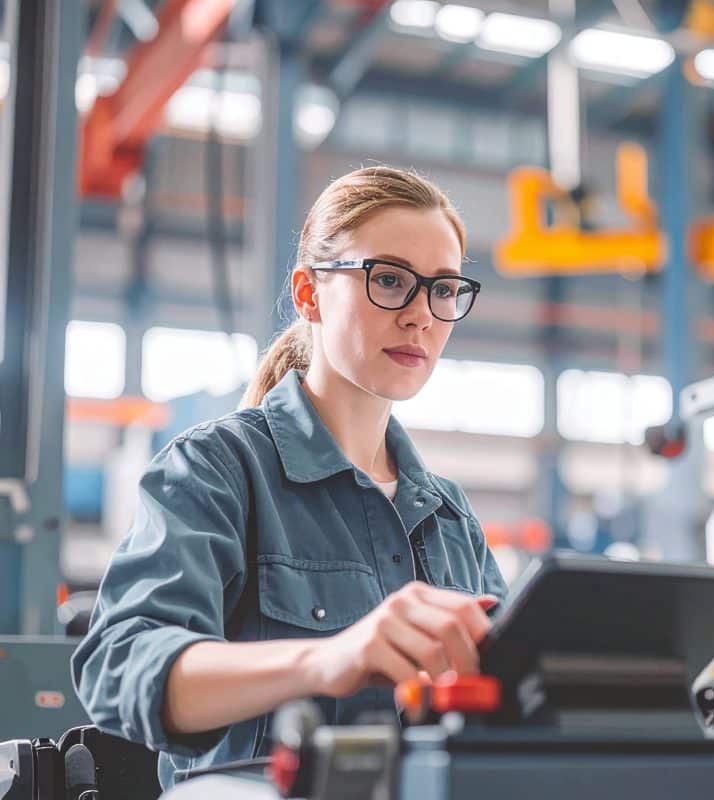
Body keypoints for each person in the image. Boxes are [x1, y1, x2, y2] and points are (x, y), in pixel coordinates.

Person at [71, 165, 508, 789]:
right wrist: (328, 659)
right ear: (309, 294)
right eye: (388, 279)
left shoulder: (448, 514)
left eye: (443, 289)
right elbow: (120, 670)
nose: (421, 316)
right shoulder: (218, 471)